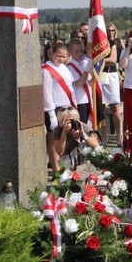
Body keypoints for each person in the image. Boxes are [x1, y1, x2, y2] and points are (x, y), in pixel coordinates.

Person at [42, 41, 76, 175]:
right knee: (54, 140)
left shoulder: (65, 68)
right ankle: (56, 170)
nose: (61, 59)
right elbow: (47, 94)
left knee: (65, 139)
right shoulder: (47, 69)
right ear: (52, 54)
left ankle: (66, 168)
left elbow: (70, 89)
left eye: (63, 56)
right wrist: (51, 115)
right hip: (54, 109)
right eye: (58, 55)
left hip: (67, 108)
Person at [101, 24, 123, 143]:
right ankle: (104, 137)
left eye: (112, 30)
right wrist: (104, 61)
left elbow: (113, 59)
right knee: (102, 108)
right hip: (101, 75)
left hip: (112, 75)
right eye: (108, 30)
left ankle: (119, 136)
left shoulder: (116, 42)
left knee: (115, 107)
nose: (110, 32)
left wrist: (99, 61)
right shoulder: (100, 43)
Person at [67, 38, 92, 125]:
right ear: (69, 52)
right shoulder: (70, 67)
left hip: (89, 99)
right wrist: (88, 68)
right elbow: (80, 83)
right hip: (80, 102)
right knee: (82, 126)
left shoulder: (84, 63)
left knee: (89, 126)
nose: (80, 54)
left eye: (81, 51)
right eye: (76, 51)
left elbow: (91, 82)